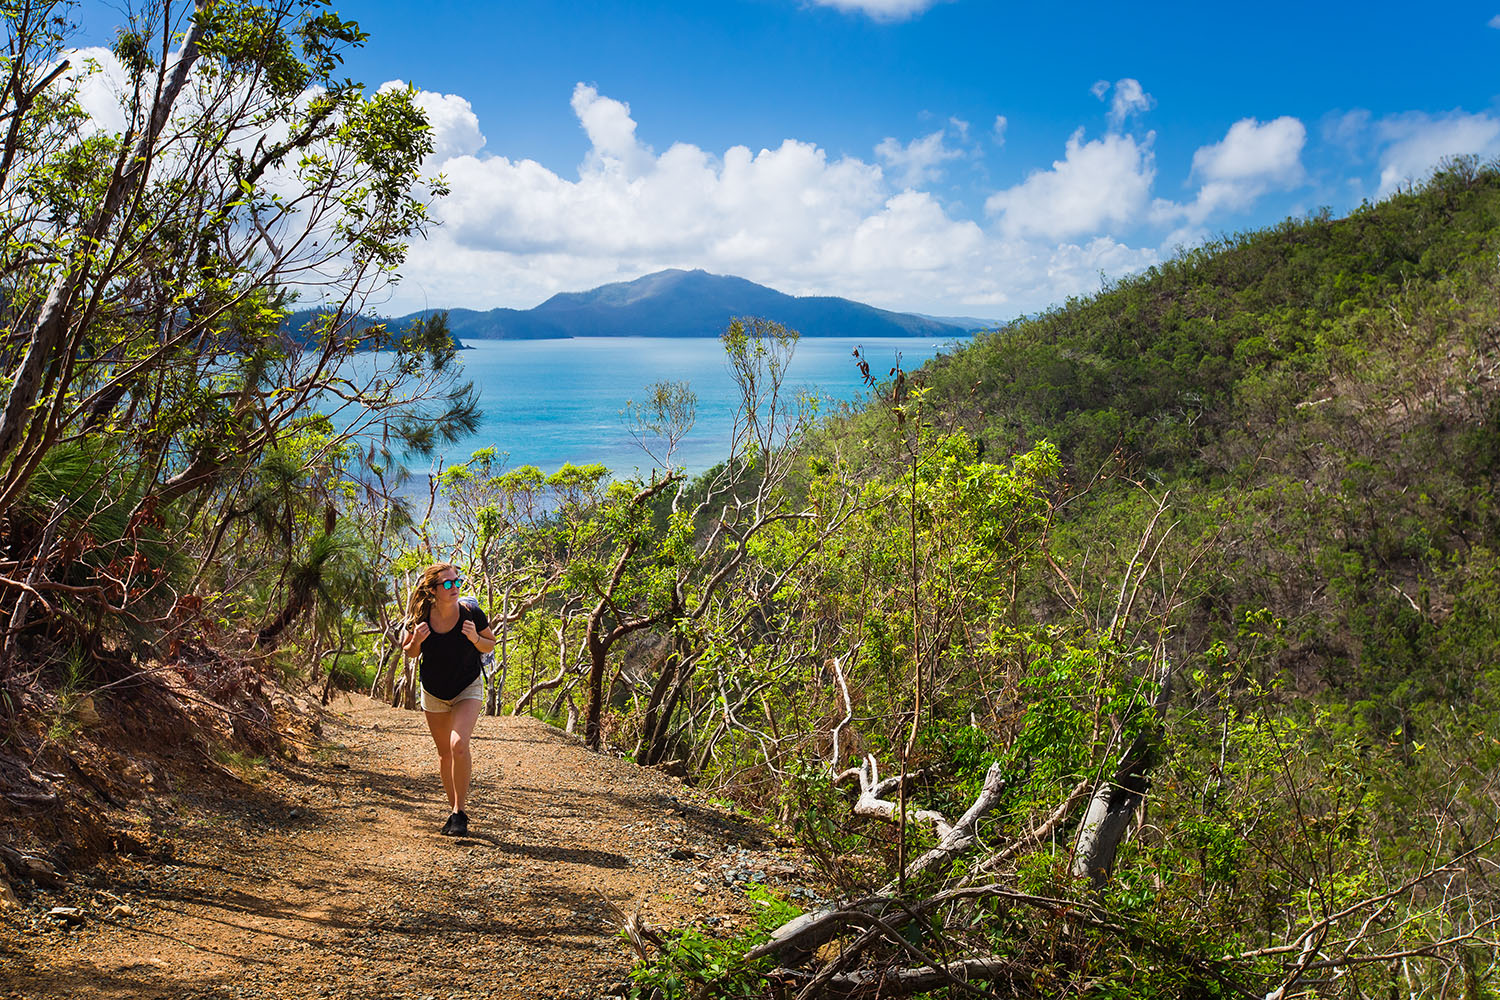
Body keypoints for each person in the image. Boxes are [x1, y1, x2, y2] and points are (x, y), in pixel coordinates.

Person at [401, 562, 496, 836]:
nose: (455, 587)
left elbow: (490, 643)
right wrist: (416, 641)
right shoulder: (420, 615)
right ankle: (452, 808)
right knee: (444, 754)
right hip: (433, 692)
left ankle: (460, 812)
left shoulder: (471, 613)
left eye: (457, 582)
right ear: (433, 590)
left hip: (467, 686)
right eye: (448, 584)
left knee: (458, 745)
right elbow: (410, 652)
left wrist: (474, 637)